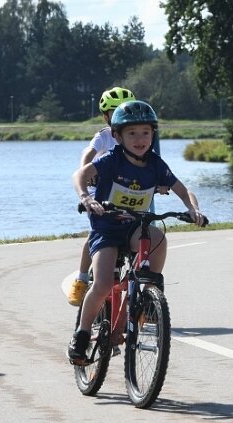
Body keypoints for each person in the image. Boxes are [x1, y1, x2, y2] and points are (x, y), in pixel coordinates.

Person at [67, 100, 204, 363]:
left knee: (158, 238)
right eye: (132, 133)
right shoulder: (111, 160)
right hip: (107, 229)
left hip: (134, 227)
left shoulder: (156, 164)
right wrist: (86, 197)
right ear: (117, 136)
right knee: (104, 283)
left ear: (153, 134)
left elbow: (183, 190)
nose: (140, 139)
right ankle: (82, 335)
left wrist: (193, 209)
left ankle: (150, 289)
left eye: (146, 132)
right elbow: (79, 175)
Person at [66, 87, 136, 306]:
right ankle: (82, 278)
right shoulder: (105, 136)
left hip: (129, 193)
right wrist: (86, 174)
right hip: (102, 194)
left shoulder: (135, 135)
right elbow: (87, 153)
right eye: (114, 112)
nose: (120, 117)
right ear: (106, 116)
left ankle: (137, 296)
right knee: (96, 234)